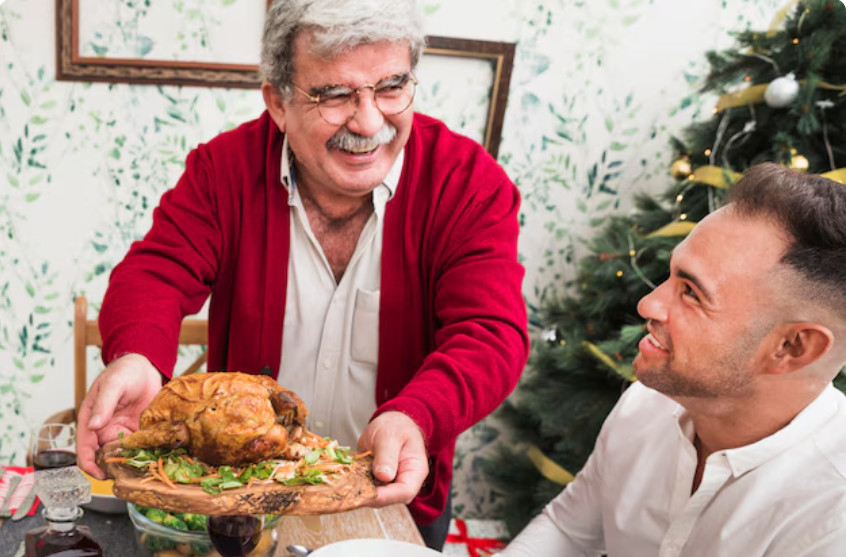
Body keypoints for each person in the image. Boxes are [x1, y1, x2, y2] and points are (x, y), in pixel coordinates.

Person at [75, 0, 529, 549]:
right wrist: (139, 355)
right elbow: (156, 272)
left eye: (391, 87)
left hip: (387, 497)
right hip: (239, 501)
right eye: (335, 94)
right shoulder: (224, 169)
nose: (368, 122)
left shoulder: (468, 183)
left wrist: (418, 414)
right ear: (278, 102)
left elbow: (490, 333)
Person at [499, 163, 846, 556]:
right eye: (671, 276)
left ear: (794, 347)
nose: (647, 304)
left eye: (692, 293)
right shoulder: (648, 403)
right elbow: (569, 531)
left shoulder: (833, 522)